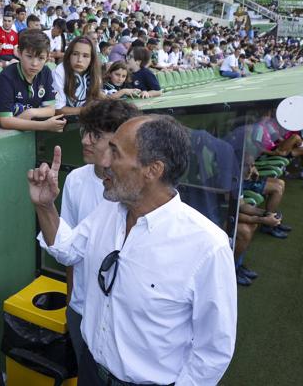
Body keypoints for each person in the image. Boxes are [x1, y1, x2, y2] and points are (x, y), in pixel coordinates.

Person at [29, 115, 237, 386]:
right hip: (91, 371)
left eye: (115, 152)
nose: (103, 162)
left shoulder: (207, 247)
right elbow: (68, 250)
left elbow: (213, 351)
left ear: (153, 170)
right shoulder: (108, 210)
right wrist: (45, 207)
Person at [60, 99, 140, 366]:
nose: (85, 141)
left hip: (122, 319)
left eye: (96, 135)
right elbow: (68, 250)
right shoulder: (74, 180)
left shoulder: (137, 192)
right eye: (85, 132)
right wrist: (73, 301)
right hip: (81, 308)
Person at [0, 29, 65, 132]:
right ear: (19, 53)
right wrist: (44, 126)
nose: (34, 63)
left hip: (27, 127)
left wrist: (31, 112)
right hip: (0, 133)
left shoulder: (46, 72)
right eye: (29, 56)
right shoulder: (6, 77)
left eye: (41, 58)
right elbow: (5, 121)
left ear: (47, 58)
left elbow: (50, 109)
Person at [51, 36, 103, 116]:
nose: (79, 60)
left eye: (85, 56)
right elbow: (58, 109)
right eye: (75, 54)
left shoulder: (94, 73)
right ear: (69, 56)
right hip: (65, 121)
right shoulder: (59, 72)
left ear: (91, 59)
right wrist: (88, 110)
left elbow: (97, 98)